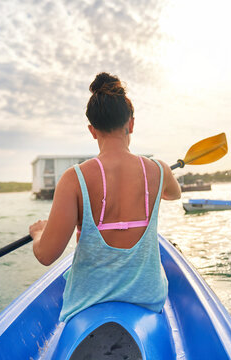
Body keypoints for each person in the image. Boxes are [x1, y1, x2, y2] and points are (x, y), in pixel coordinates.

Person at [29, 72, 181, 323]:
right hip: (148, 299)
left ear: (92, 130)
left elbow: (46, 255)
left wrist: (38, 234)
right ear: (131, 124)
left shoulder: (73, 178)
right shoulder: (159, 170)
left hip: (88, 304)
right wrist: (159, 180)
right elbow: (174, 195)